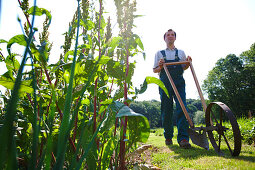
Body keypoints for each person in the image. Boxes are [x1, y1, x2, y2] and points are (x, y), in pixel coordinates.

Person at [153, 29, 192, 149]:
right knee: (167, 109)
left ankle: (183, 138)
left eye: (172, 35)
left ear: (175, 38)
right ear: (164, 38)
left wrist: (188, 63)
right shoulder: (159, 53)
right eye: (168, 35)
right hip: (165, 83)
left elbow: (184, 67)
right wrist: (160, 66)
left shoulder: (181, 52)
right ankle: (168, 136)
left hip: (179, 82)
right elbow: (154, 70)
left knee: (182, 107)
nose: (170, 36)